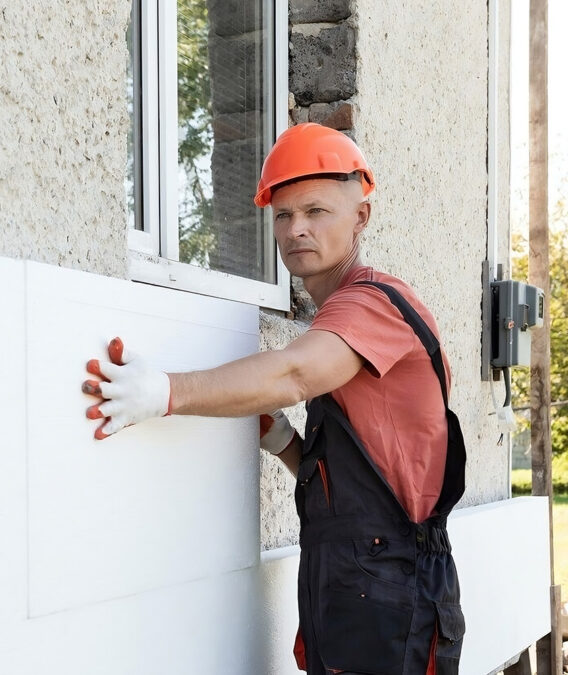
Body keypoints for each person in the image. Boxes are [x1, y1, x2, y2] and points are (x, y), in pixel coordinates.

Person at [81, 123, 467, 675]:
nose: (296, 229)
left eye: (316, 211)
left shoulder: (373, 306)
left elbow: (292, 374)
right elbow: (366, 482)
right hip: (351, 582)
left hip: (391, 593)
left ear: (361, 216)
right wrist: (286, 442)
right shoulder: (342, 321)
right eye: (283, 215)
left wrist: (164, 392)